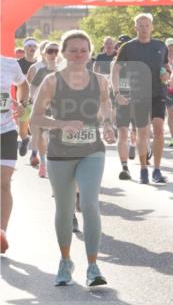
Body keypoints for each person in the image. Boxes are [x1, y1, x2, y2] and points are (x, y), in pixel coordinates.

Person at [29, 31, 116, 286]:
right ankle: (65, 261)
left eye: (83, 50)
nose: (79, 54)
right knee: (65, 210)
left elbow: (105, 106)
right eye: (73, 50)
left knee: (89, 204)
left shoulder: (100, 81)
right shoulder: (52, 81)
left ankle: (93, 266)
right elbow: (35, 117)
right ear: (64, 53)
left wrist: (108, 124)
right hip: (59, 153)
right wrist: (61, 124)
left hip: (92, 150)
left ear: (90, 53)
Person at [111, 13, 169, 185]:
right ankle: (144, 169)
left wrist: (167, 73)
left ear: (152, 27)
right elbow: (116, 69)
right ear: (135, 28)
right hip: (138, 94)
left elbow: (166, 65)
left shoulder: (160, 45)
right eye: (140, 25)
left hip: (158, 93)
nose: (144, 28)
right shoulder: (128, 47)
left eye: (147, 25)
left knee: (158, 130)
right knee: (143, 133)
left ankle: (157, 170)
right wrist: (117, 92)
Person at [1, 51, 28, 253]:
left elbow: (23, 85)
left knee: (3, 183)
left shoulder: (9, 64)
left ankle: (1, 233)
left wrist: (22, 103)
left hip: (6, 130)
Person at [25, 41, 60, 177]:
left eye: (56, 51)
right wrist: (33, 100)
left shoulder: (65, 69)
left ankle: (55, 168)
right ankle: (44, 163)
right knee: (43, 138)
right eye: (50, 51)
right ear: (45, 54)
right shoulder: (41, 71)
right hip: (43, 109)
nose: (54, 54)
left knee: (55, 140)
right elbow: (32, 87)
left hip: (61, 110)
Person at [15, 38, 38, 158]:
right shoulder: (17, 64)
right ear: (24, 48)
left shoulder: (39, 64)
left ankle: (34, 154)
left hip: (37, 99)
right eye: (29, 46)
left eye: (34, 46)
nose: (32, 48)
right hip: (21, 100)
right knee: (22, 129)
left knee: (36, 126)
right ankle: (25, 139)